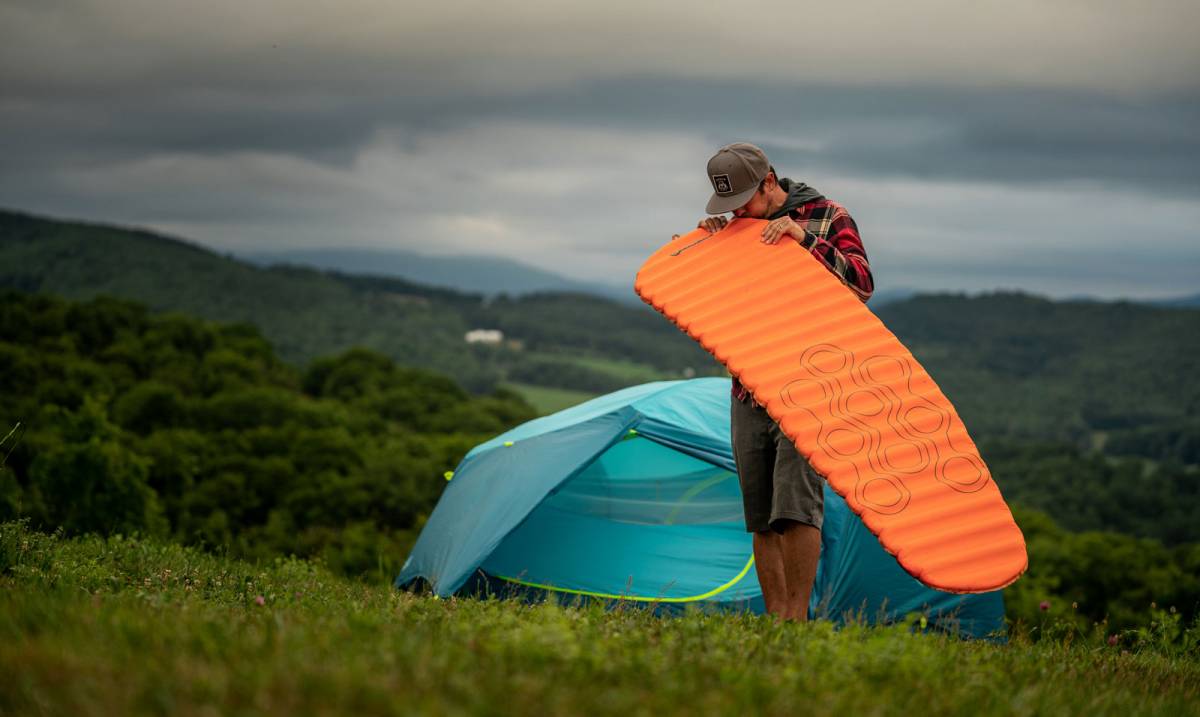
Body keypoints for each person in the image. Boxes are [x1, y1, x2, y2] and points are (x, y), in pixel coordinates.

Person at [699, 142, 874, 621]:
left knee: (795, 509)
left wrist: (805, 240)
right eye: (727, 207)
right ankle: (776, 622)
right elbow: (713, 302)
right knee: (760, 514)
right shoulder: (735, 229)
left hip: (807, 385)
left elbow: (861, 285)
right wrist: (704, 252)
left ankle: (797, 619)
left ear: (770, 182)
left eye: (744, 203)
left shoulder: (828, 216)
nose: (738, 214)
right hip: (747, 385)